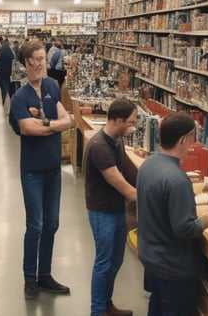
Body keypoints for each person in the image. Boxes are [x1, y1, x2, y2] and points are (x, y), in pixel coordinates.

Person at [137, 112, 208, 316]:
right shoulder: (177, 180)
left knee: (156, 306)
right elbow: (184, 229)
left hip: (152, 257)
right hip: (173, 266)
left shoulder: (149, 164)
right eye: (192, 138)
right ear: (183, 140)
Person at [9, 40, 74, 299]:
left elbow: (68, 120)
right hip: (32, 170)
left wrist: (45, 124)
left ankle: (45, 275)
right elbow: (27, 129)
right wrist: (54, 125)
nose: (40, 64)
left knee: (52, 224)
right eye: (35, 59)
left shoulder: (51, 86)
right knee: (35, 225)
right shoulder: (19, 97)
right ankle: (29, 278)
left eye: (42, 59)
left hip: (53, 168)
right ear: (26, 63)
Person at [83, 98, 138, 316]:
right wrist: (153, 198)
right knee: (104, 263)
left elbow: (127, 170)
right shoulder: (99, 146)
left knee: (116, 261)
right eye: (131, 122)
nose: (133, 127)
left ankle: (106, 304)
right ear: (117, 120)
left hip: (116, 209)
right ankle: (97, 311)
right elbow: (121, 184)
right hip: (102, 212)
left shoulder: (117, 140)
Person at [0, 38, 15, 106]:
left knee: (3, 86)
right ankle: (10, 100)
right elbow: (13, 59)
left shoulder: (1, 50)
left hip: (2, 71)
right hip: (9, 71)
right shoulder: (10, 50)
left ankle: (4, 100)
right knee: (9, 86)